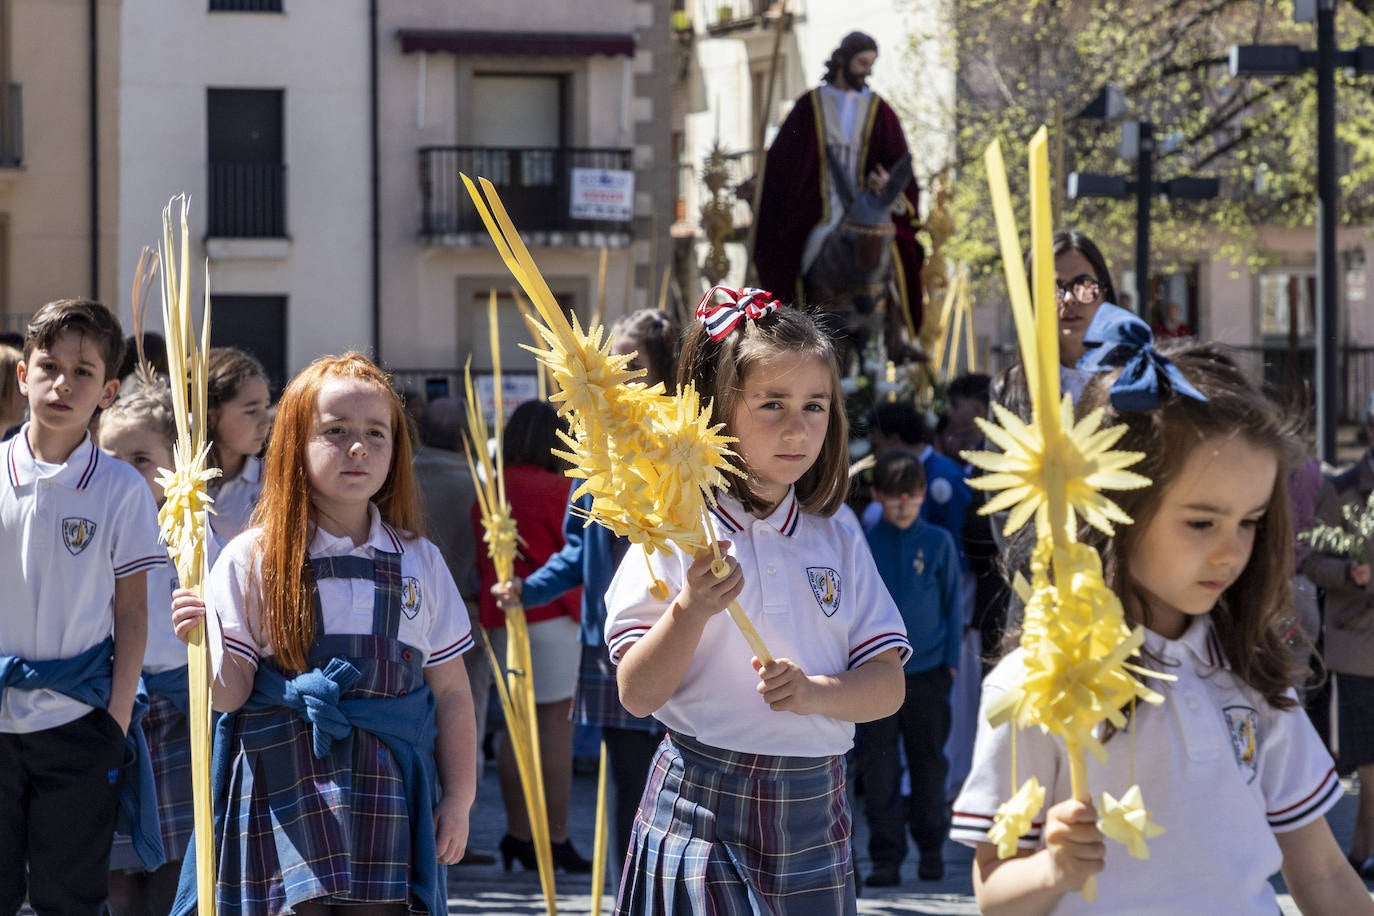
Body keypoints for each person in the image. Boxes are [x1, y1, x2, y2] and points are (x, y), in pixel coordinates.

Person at [953, 318, 1369, 913]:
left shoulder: (1252, 675)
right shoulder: (1036, 685)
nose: (1232, 550)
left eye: (1249, 521)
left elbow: (1323, 872)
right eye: (1201, 522)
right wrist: (1054, 868)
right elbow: (994, 894)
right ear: (1115, 505)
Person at [604, 288, 911, 913]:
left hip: (811, 807)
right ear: (716, 411)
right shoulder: (676, 528)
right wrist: (691, 606)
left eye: (815, 406)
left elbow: (887, 684)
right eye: (771, 404)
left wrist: (817, 694)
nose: (797, 428)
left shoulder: (839, 533)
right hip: (699, 804)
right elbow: (637, 694)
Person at [169, 352, 477, 915]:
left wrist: (458, 799)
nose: (358, 447)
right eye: (335, 432)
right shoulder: (250, 557)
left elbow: (453, 692)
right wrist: (201, 641)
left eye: (375, 433)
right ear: (293, 443)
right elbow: (230, 694)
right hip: (278, 776)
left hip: (384, 783)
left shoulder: (420, 561)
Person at [492, 308, 678, 861]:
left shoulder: (685, 441)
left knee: (685, 780)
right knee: (630, 785)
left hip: (682, 629)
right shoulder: (591, 442)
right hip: (611, 639)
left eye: (631, 361)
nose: (616, 372)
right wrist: (530, 589)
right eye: (610, 359)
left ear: (663, 369)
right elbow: (578, 547)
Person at [0, 299, 165, 915]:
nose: (63, 383)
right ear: (24, 375)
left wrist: (114, 723)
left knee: (68, 893)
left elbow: (132, 614)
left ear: (109, 391)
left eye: (84, 371)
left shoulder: (120, 489)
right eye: (49, 366)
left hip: (78, 722)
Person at [472, 399, 591, 874]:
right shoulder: (562, 488)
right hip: (554, 615)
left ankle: (518, 834)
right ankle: (555, 838)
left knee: (513, 729)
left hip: (505, 615)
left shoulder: (491, 489)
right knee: (555, 729)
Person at [753, 31, 924, 337]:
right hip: (823, 205)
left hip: (868, 204)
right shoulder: (811, 105)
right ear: (843, 60)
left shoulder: (878, 109)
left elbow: (899, 160)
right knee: (801, 251)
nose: (867, 71)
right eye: (862, 63)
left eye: (871, 64)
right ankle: (796, 323)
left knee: (898, 252)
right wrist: (761, 182)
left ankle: (898, 334)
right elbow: (783, 160)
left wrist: (884, 182)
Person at [98, 379, 189, 916]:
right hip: (108, 713)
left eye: (141, 458)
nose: (127, 472)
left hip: (175, 718)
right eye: (113, 457)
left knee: (172, 870)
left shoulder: (191, 536)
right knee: (112, 870)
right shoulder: (89, 532)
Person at [856, 449, 961, 887]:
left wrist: (951, 663)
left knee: (928, 764)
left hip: (929, 671)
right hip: (876, 674)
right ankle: (885, 856)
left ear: (923, 496)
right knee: (879, 768)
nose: (904, 503)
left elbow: (952, 604)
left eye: (912, 495)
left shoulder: (938, 542)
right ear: (877, 495)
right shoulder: (863, 542)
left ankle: (932, 849)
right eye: (894, 495)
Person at [1302, 389, 1374, 876]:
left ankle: (1360, 849)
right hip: (1356, 645)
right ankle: (1360, 849)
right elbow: (1310, 557)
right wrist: (1349, 573)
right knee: (1367, 756)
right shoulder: (1343, 487)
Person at [411, 398, 492, 814]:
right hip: (466, 613)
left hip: (401, 613)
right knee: (465, 711)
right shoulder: (481, 485)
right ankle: (460, 821)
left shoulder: (400, 479)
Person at [205, 347, 271, 543]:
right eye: (251, 411)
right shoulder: (174, 482)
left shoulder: (273, 484)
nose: (265, 421)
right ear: (211, 415)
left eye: (265, 407)